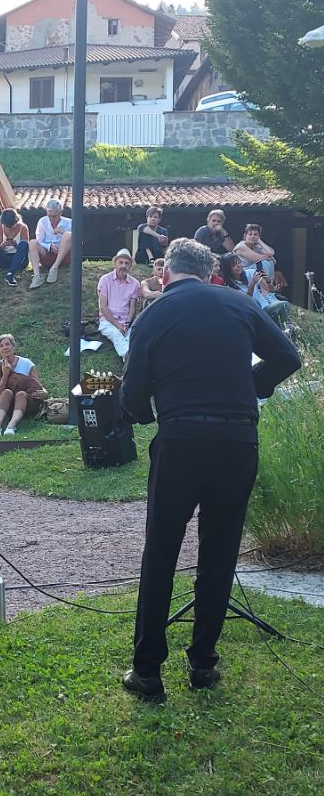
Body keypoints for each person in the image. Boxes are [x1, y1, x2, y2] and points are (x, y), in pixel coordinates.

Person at [119, 238, 300, 703]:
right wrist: (251, 385)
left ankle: (147, 672)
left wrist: (148, 412)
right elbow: (288, 357)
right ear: (210, 273)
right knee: (219, 553)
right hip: (238, 442)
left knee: (161, 553)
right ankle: (203, 664)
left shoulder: (153, 314)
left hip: (181, 441)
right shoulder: (239, 303)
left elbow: (132, 399)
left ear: (165, 275)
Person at [0, 334, 47, 436]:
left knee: (21, 394)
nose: (5, 347)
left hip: (26, 404)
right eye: (1, 346)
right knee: (7, 392)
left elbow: (37, 385)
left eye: (8, 344)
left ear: (13, 347)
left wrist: (45, 392)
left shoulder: (27, 363)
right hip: (6, 404)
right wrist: (5, 374)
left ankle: (11, 426)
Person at [220, 253, 290, 326]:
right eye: (234, 265)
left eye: (239, 262)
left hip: (266, 305)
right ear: (228, 269)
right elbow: (246, 301)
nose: (238, 266)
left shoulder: (251, 272)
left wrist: (268, 280)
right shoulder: (229, 288)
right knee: (283, 305)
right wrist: (252, 284)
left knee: (285, 306)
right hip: (255, 313)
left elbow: (270, 290)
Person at [97, 249, 141, 360]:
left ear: (130, 266)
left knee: (133, 336)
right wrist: (117, 325)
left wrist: (127, 323)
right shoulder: (105, 280)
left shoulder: (135, 284)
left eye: (126, 263)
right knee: (116, 334)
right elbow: (103, 307)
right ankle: (129, 358)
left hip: (126, 322)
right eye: (120, 263)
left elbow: (132, 307)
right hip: (108, 321)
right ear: (115, 264)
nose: (123, 266)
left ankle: (129, 359)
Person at [29, 199, 72, 289]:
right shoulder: (42, 221)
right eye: (49, 216)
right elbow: (39, 240)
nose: (52, 219)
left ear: (61, 212)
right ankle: (37, 276)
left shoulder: (69, 222)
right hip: (47, 255)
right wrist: (49, 246)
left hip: (64, 256)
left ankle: (54, 268)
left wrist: (62, 231)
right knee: (32, 242)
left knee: (68, 234)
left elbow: (79, 241)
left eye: (54, 216)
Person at [0, 208, 30, 288]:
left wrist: (16, 245)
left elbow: (26, 249)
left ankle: (10, 274)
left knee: (23, 244)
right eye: (7, 226)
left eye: (12, 226)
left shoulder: (23, 227)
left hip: (19, 260)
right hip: (4, 259)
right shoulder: (0, 227)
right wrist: (3, 244)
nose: (10, 228)